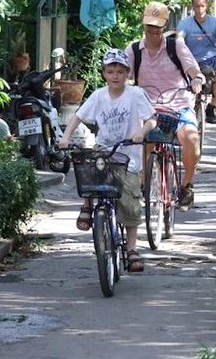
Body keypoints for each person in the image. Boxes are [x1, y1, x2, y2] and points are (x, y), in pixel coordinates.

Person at [58, 49, 156, 273]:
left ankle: (132, 249)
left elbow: (152, 120)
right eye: (110, 71)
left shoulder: (136, 95)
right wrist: (65, 137)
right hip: (105, 148)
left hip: (128, 153)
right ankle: (87, 205)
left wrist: (141, 131)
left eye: (120, 72)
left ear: (127, 74)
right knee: (90, 172)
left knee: (130, 200)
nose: (115, 76)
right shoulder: (99, 95)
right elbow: (78, 116)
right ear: (104, 73)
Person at [125, 1, 205, 209]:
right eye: (149, 25)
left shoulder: (175, 46)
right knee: (139, 140)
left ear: (164, 25)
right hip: (148, 107)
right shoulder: (134, 50)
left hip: (178, 105)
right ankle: (142, 182)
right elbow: (123, 75)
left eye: (157, 25)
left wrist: (196, 80)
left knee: (191, 140)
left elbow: (194, 71)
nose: (153, 30)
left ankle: (186, 185)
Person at [177, 0, 216, 124]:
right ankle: (179, 109)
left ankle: (211, 107)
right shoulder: (185, 23)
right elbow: (179, 39)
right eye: (196, 6)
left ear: (206, 6)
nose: (199, 9)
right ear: (192, 7)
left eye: (202, 6)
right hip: (191, 60)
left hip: (211, 59)